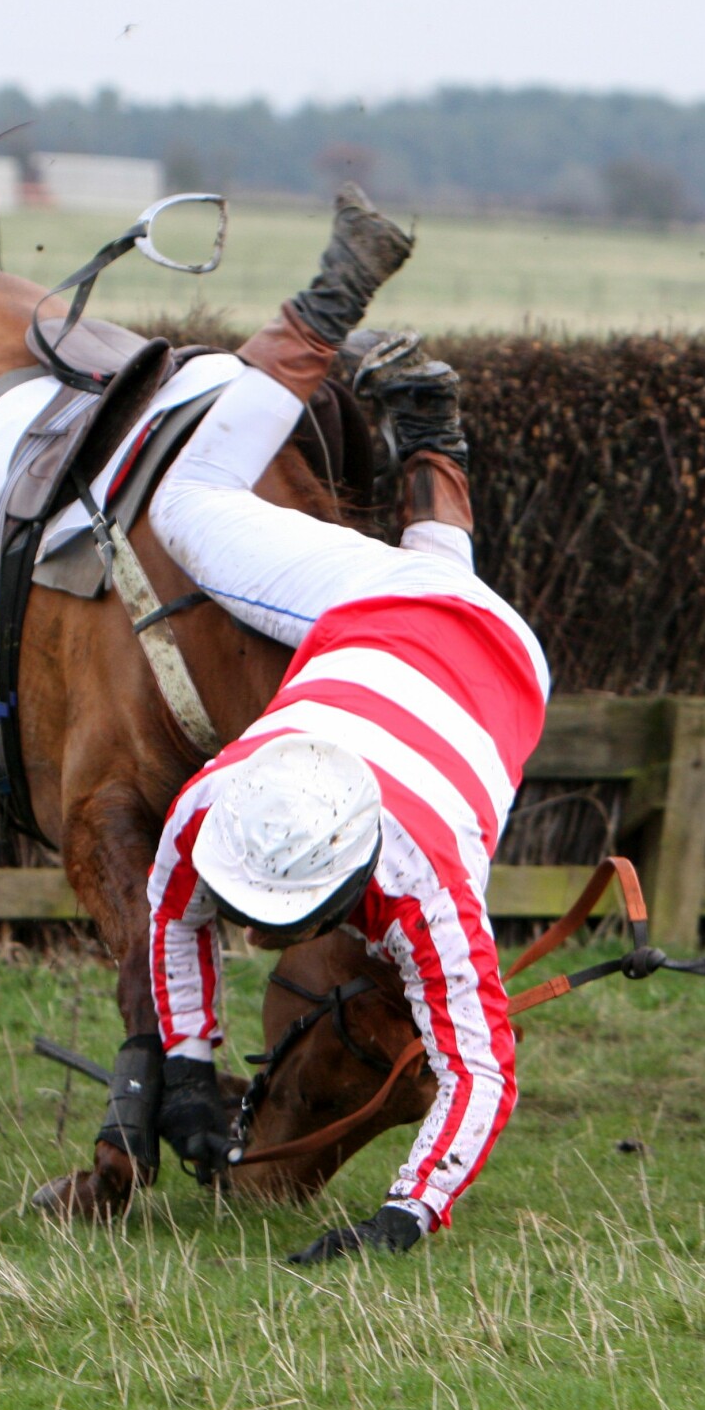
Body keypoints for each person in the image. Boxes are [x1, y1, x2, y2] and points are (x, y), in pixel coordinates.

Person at [114, 184, 551, 1263]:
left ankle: (326, 309)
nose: (264, 939)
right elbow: (173, 907)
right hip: (468, 639)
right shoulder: (220, 799)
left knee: (184, 501)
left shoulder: (425, 887)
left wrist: (402, 1216)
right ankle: (425, 429)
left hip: (439, 633)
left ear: (356, 878)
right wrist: (185, 1063)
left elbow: (483, 1065)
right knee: (224, 521)